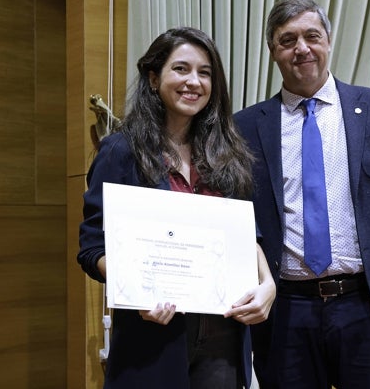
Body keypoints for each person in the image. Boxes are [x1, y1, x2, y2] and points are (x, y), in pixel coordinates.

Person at [233, 0, 370, 389]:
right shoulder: (246, 126)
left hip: (367, 305)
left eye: (312, 36)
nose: (302, 48)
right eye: (287, 40)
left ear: (329, 41)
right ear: (272, 51)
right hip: (286, 312)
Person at [78, 27, 276, 389]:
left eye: (204, 72)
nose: (193, 82)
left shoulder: (228, 154)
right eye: (181, 69)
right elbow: (92, 248)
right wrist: (136, 288)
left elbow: (248, 237)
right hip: (154, 337)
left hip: (224, 335)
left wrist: (268, 285)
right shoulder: (121, 151)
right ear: (154, 79)